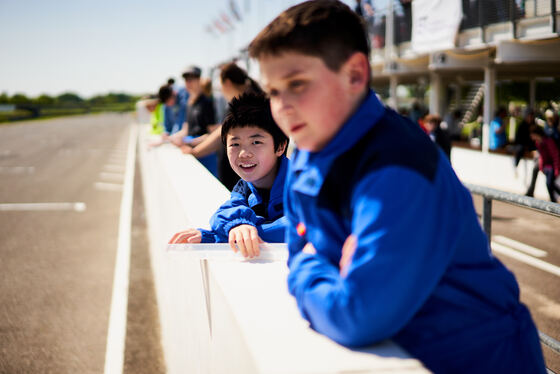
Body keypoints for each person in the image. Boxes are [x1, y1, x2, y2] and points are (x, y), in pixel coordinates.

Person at [249, 1, 546, 373]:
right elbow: (302, 255)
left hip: (479, 359)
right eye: (273, 92)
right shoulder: (311, 148)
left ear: (355, 74)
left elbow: (358, 314)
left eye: (297, 85)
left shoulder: (398, 166)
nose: (283, 107)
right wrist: (319, 268)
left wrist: (310, 266)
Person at [168, 92, 289, 258]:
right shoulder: (244, 187)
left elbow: (296, 228)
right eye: (235, 144)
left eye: (256, 142)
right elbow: (226, 211)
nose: (244, 154)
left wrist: (219, 236)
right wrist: (237, 225)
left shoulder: (302, 183)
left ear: (280, 146)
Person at [181, 62, 264, 191]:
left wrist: (195, 151)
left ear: (228, 83)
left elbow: (220, 134)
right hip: (240, 177)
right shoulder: (243, 104)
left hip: (244, 180)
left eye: (220, 85)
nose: (220, 89)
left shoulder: (244, 107)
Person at [170, 65, 217, 175]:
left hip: (205, 154)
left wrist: (189, 141)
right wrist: (171, 138)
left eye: (192, 79)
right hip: (191, 151)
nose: (188, 82)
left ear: (199, 80)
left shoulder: (207, 102)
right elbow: (186, 129)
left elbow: (212, 134)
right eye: (186, 79)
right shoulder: (189, 103)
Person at [529, 125, 560, 202]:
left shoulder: (548, 141)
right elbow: (541, 156)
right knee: (550, 184)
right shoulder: (538, 143)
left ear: (536, 134)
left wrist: (556, 169)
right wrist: (541, 166)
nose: (532, 138)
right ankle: (553, 201)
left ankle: (553, 202)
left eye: (532, 135)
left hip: (552, 166)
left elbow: (555, 155)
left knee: (549, 184)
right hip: (546, 167)